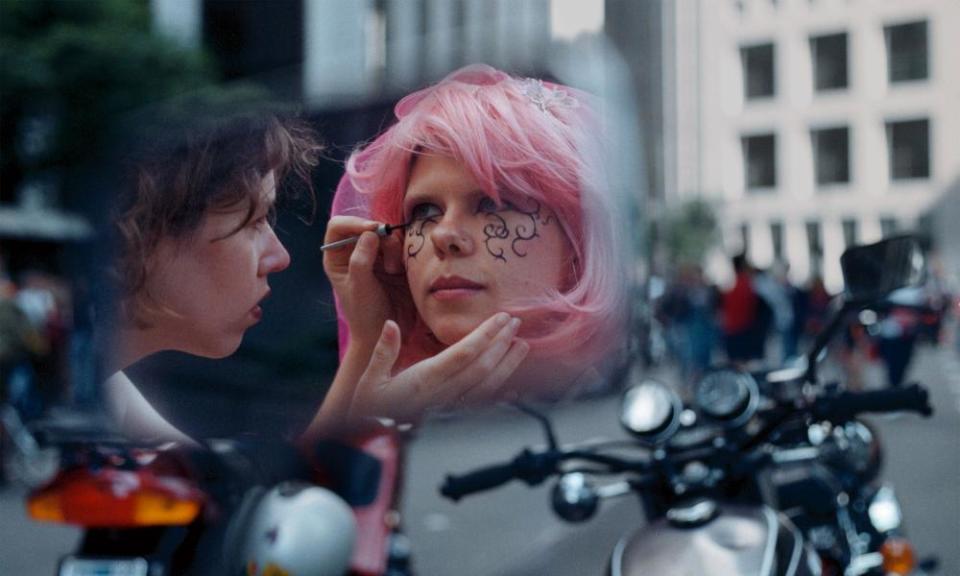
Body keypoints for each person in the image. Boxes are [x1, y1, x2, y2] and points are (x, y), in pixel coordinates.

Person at [307, 64, 627, 436]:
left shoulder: (626, 422)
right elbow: (305, 492)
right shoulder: (403, 405)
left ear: (578, 242)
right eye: (425, 211)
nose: (445, 236)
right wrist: (370, 345)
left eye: (491, 203)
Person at [103, 106, 321, 444]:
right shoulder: (94, 400)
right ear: (145, 235)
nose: (280, 258)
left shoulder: (107, 395)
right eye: (253, 222)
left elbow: (203, 480)